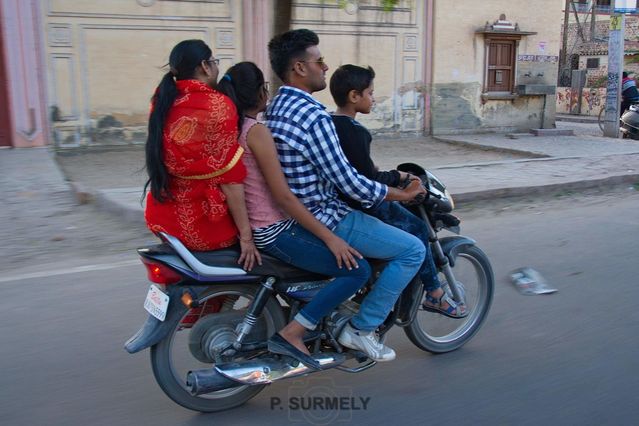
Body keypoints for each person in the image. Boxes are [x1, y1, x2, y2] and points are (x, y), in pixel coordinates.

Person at [266, 28, 427, 362]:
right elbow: (350, 184)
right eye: (319, 61)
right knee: (412, 249)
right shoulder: (313, 117)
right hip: (327, 215)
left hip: (294, 214)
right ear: (299, 68)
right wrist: (400, 194)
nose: (325, 68)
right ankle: (362, 328)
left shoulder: (275, 107)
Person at [217, 62, 373, 370]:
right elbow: (283, 196)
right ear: (259, 93)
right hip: (276, 231)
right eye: (265, 88)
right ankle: (293, 333)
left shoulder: (233, 129)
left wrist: (246, 234)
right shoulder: (257, 132)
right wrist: (331, 239)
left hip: (261, 228)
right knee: (357, 270)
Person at [329, 64, 466, 318]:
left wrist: (388, 174)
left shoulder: (329, 122)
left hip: (340, 199)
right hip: (361, 203)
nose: (373, 98)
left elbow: (357, 169)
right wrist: (401, 177)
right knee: (418, 230)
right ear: (354, 96)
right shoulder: (355, 131)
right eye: (370, 93)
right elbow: (368, 179)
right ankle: (435, 294)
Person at [143, 39, 260, 270]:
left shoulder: (163, 100)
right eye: (214, 62)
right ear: (205, 66)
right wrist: (247, 237)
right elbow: (230, 178)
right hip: (205, 224)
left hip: (163, 217)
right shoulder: (218, 105)